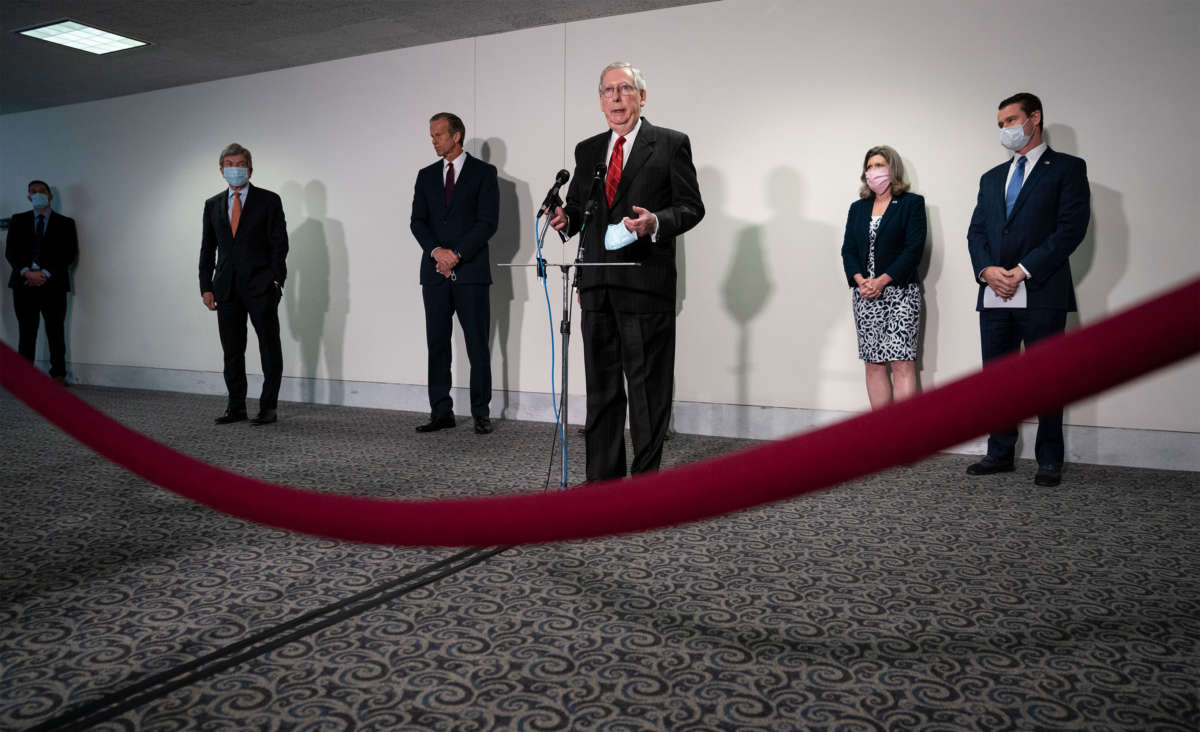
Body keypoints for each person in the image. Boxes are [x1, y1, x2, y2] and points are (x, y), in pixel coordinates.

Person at [550, 62, 704, 482]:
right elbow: (583, 211)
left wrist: (655, 222)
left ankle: (644, 490)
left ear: (642, 96)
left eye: (624, 89)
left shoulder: (670, 144)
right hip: (597, 286)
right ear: (600, 100)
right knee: (601, 392)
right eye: (608, 91)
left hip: (645, 286)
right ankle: (602, 485)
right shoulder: (587, 150)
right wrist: (567, 220)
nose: (616, 98)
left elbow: (691, 207)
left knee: (647, 393)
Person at [966, 92, 1090, 487]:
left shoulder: (1067, 169)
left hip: (1042, 290)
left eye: (1011, 120)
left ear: (1034, 118)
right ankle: (999, 452)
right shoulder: (990, 178)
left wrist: (1021, 270)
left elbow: (1070, 229)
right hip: (994, 293)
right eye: (1000, 124)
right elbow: (978, 232)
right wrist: (987, 270)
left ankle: (1049, 459)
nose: (1006, 129)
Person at [410, 112, 499, 435]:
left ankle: (480, 412)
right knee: (437, 344)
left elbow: (487, 222)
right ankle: (441, 412)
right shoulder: (425, 175)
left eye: (438, 135)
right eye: (431, 135)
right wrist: (438, 253)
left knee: (477, 345)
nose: (433, 140)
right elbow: (417, 222)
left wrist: (457, 255)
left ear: (456, 136)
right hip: (434, 273)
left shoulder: (484, 173)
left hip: (471, 272)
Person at [198, 143, 289, 426]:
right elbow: (207, 248)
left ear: (249, 168)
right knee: (232, 350)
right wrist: (206, 286)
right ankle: (235, 406)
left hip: (261, 286)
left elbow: (279, 243)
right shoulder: (212, 204)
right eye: (229, 164)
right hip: (226, 288)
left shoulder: (269, 200)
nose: (234, 169)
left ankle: (268, 408)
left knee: (268, 347)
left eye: (239, 164)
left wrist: (276, 280)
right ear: (221, 169)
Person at [840, 146, 927, 409]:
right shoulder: (858, 208)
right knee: (874, 363)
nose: (873, 171)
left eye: (879, 165)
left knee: (901, 362)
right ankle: (882, 436)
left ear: (893, 169)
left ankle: (903, 436)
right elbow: (848, 249)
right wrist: (860, 280)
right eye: (869, 166)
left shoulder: (911, 203)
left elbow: (914, 248)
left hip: (900, 294)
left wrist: (882, 280)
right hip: (865, 294)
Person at [6, 180, 78, 386]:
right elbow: (11, 251)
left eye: (42, 191)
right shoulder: (17, 220)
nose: (38, 194)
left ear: (50, 195)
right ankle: (25, 375)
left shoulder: (66, 223)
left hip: (53, 285)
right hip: (23, 284)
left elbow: (68, 254)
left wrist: (44, 273)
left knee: (55, 331)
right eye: (33, 192)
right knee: (26, 332)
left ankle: (58, 374)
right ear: (29, 197)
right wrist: (27, 272)